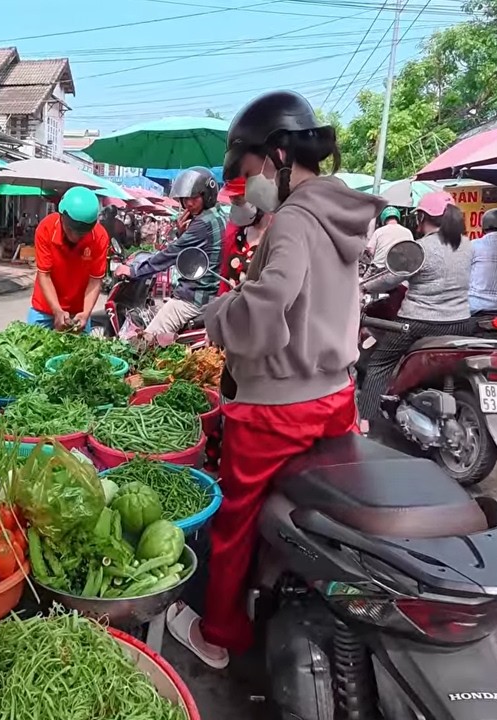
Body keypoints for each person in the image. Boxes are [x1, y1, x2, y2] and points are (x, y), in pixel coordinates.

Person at [171, 91, 381, 669]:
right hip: (335, 395)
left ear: (277, 155)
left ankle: (218, 635)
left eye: (246, 171)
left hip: (277, 409)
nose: (246, 186)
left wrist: (218, 316)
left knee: (235, 519)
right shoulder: (340, 212)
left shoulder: (292, 219)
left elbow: (269, 306)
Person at [357, 191, 478, 423]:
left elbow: (390, 278)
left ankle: (364, 420)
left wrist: (363, 287)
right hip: (461, 323)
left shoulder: (420, 248)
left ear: (422, 218)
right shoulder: (467, 246)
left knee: (379, 363)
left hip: (419, 324)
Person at [113, 167, 225, 337]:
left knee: (145, 343)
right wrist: (182, 234)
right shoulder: (219, 216)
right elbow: (192, 252)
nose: (188, 204)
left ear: (207, 195)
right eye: (185, 199)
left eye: (194, 198)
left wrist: (133, 270)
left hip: (192, 299)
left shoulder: (202, 223)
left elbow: (170, 255)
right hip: (211, 295)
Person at [27, 186, 109, 330]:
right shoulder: (46, 228)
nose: (75, 237)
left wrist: (86, 313)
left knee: (84, 351)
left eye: (81, 233)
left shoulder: (99, 237)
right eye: (71, 230)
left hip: (79, 312)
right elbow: (44, 275)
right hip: (44, 308)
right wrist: (56, 310)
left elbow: (95, 280)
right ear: (61, 216)